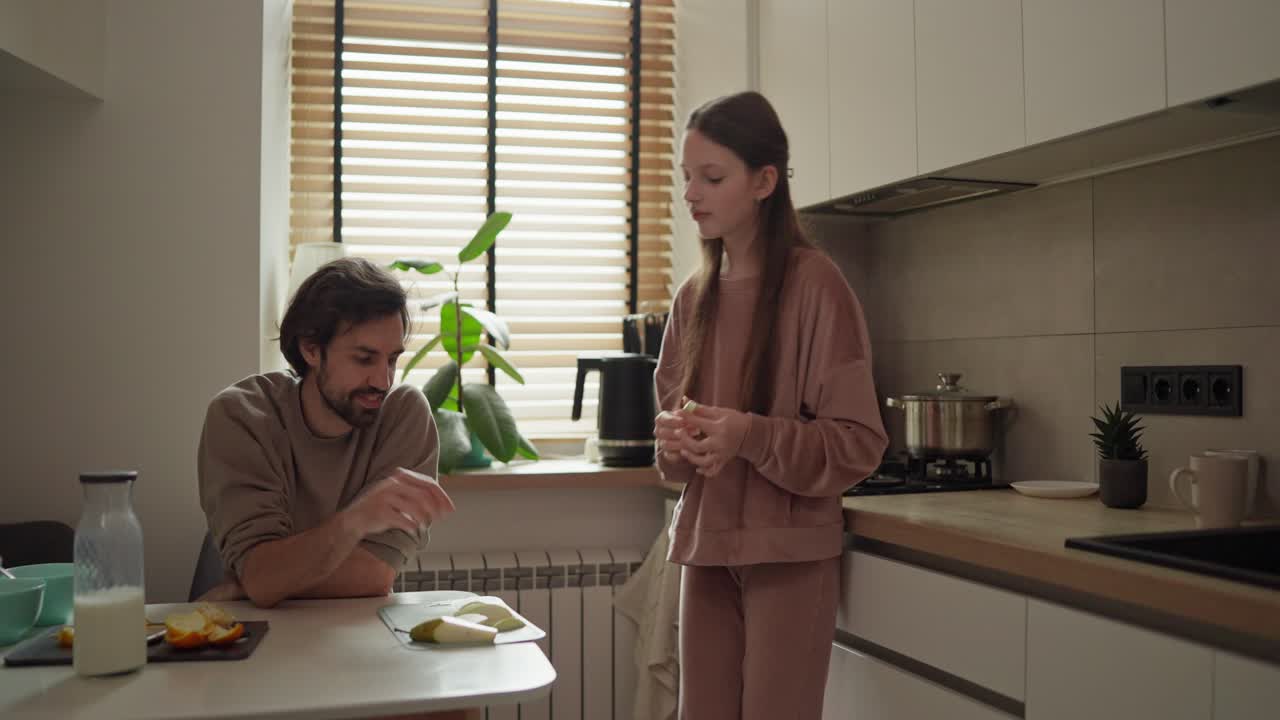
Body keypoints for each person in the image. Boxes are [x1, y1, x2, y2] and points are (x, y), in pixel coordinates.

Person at [653, 91, 889, 720]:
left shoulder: (817, 286)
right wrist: (675, 445)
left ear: (764, 181)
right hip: (705, 551)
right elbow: (675, 470)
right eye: (687, 178)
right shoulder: (690, 299)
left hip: (789, 558)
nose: (692, 194)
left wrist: (747, 436)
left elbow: (858, 442)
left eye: (712, 177)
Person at [197, 256, 455, 609]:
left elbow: (374, 576)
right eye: (364, 359)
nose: (383, 381)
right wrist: (354, 521)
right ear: (311, 349)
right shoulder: (242, 416)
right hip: (248, 640)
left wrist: (257, 586)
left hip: (351, 634)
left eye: (392, 359)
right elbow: (262, 574)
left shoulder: (403, 414)